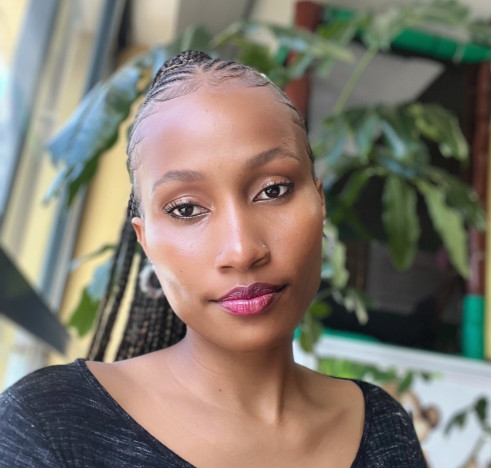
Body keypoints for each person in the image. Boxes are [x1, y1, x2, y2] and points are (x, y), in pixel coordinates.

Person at [0, 51, 426, 467]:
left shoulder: (383, 428)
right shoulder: (47, 427)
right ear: (145, 240)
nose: (242, 251)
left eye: (273, 190)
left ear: (319, 201)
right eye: (186, 209)